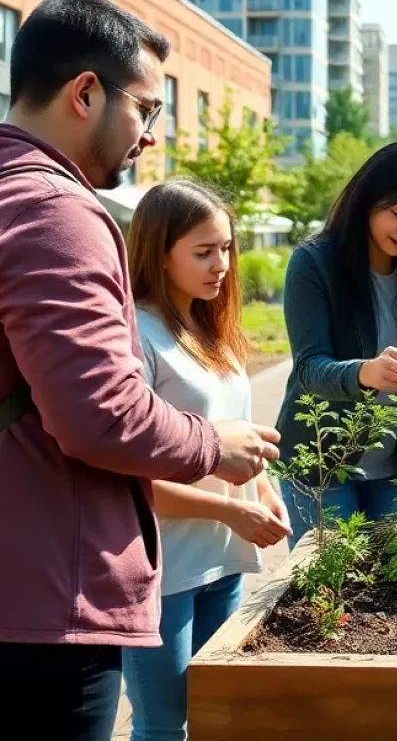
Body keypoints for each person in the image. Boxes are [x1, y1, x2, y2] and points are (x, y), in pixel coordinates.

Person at [0, 0, 279, 740]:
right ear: (84, 92)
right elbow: (101, 414)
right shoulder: (58, 212)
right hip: (44, 608)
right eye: (148, 109)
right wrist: (214, 445)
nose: (150, 136)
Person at [123, 181, 292, 740]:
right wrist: (228, 512)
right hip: (163, 570)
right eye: (203, 251)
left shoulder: (207, 325)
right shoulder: (137, 336)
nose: (221, 264)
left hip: (224, 561)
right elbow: (132, 477)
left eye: (226, 248)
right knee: (163, 725)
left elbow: (238, 433)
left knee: (219, 717)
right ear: (158, 251)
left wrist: (262, 495)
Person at [277, 141, 397, 541]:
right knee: (332, 595)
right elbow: (310, 368)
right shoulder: (313, 263)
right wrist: (367, 373)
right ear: (367, 199)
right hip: (322, 466)